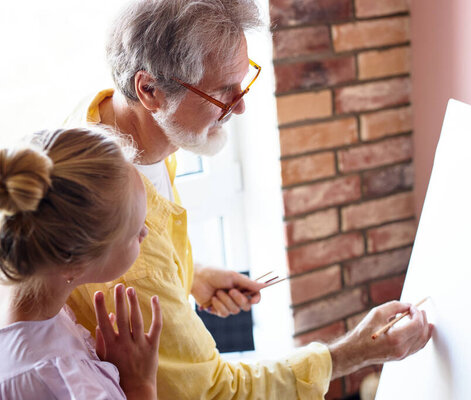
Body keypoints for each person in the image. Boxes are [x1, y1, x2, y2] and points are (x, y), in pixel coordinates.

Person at [65, 0, 434, 398]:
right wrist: (354, 352)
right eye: (223, 90)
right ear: (149, 90)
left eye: (244, 80)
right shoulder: (127, 243)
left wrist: (193, 275)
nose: (240, 105)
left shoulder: (111, 122)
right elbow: (215, 391)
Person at [0, 128, 162, 399]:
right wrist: (140, 383)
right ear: (71, 262)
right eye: (134, 233)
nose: (145, 232)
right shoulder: (65, 385)